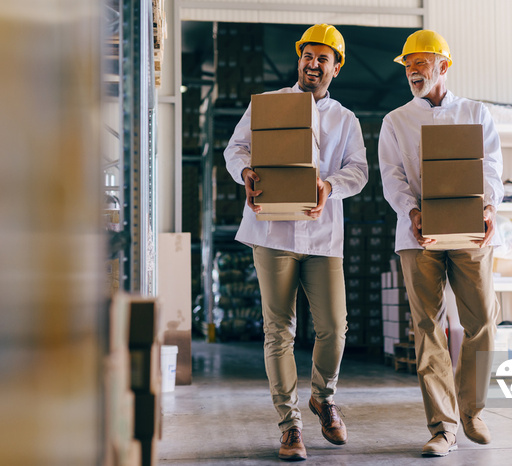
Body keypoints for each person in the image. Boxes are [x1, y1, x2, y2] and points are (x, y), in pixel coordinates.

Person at [224, 24, 368, 462]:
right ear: (299, 59)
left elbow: (358, 172)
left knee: (334, 328)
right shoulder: (268, 106)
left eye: (323, 58)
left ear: (336, 67)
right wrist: (244, 172)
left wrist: (329, 186)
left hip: (323, 236)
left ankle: (323, 398)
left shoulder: (346, 120)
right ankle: (289, 426)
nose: (313, 63)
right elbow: (236, 149)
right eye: (307, 55)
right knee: (278, 330)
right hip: (272, 232)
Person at [378, 29, 503, 457]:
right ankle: (443, 426)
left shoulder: (476, 113)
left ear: (443, 66)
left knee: (483, 319)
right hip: (417, 236)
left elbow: (492, 170)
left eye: (421, 64)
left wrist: (487, 208)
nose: (413, 72)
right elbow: (392, 177)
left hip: (471, 231)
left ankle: (473, 410)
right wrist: (411, 212)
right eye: (408, 66)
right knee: (428, 328)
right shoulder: (396, 121)